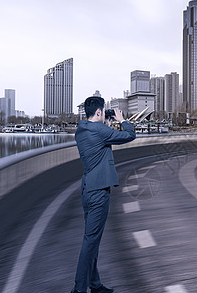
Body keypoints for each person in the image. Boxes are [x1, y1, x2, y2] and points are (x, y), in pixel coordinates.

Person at [71, 96, 136, 293]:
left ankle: (95, 284)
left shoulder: (81, 131)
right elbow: (129, 135)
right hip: (99, 192)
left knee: (92, 240)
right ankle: (79, 289)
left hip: (87, 189)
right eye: (103, 112)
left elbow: (101, 140)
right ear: (99, 112)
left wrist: (106, 123)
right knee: (90, 242)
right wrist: (122, 120)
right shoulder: (100, 131)